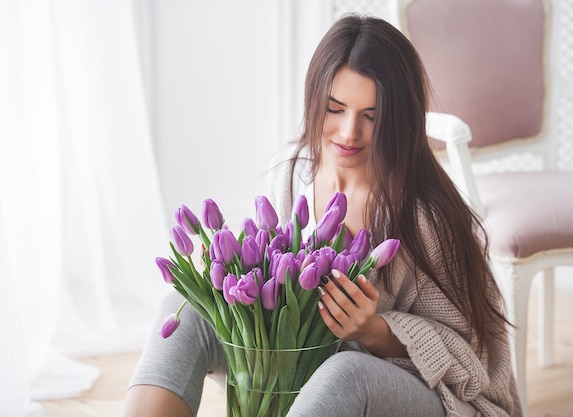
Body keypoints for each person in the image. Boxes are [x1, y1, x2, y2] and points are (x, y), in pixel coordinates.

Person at [123, 14, 522, 417]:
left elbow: (476, 365)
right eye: (335, 108)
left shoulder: (423, 217)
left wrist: (375, 331)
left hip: (429, 398)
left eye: (371, 115)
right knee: (186, 305)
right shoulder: (292, 174)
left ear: (399, 118)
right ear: (315, 101)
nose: (349, 133)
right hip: (304, 379)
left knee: (345, 372)